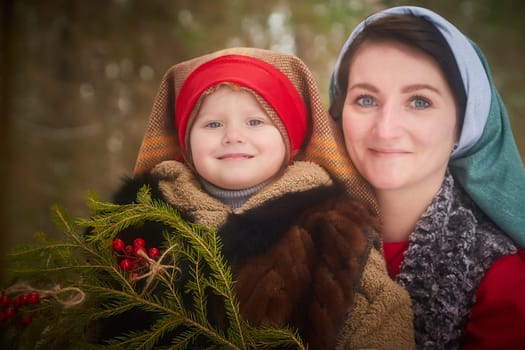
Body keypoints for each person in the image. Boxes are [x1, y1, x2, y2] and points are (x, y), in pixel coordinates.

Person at [94, 47, 414, 349]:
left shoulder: (334, 228)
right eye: (213, 123)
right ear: (186, 143)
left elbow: (382, 318)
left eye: (255, 122)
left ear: (290, 140)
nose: (233, 135)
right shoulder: (139, 224)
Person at [329, 6, 525, 349]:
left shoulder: (501, 280)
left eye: (419, 102)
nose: (386, 129)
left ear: (463, 128)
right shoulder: (293, 238)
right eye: (365, 99)